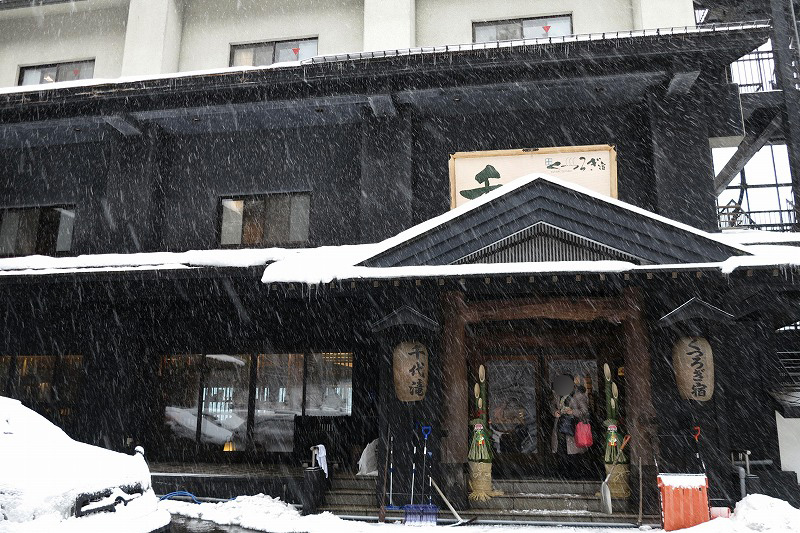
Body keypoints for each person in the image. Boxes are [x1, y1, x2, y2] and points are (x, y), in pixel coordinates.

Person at [550, 374, 590, 479]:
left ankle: (573, 474)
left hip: (573, 426)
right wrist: (555, 412)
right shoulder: (558, 394)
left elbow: (585, 411)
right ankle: (562, 473)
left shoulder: (578, 395)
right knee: (561, 450)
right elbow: (552, 405)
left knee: (572, 452)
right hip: (560, 425)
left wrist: (572, 411)